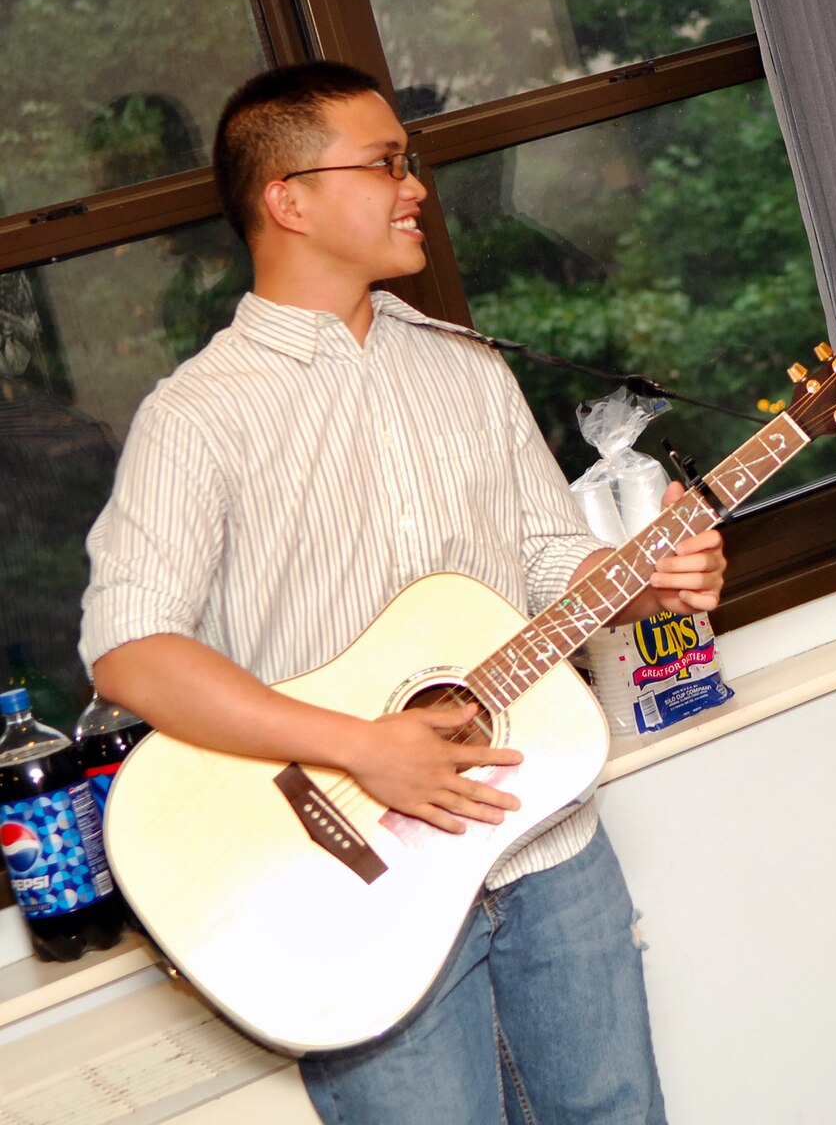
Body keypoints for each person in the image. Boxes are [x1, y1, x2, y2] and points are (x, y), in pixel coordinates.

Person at [79, 61, 726, 1124]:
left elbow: (548, 561)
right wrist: (359, 743)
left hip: (548, 842)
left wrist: (641, 575)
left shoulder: (466, 368)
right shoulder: (194, 416)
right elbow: (132, 652)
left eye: (410, 160)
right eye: (385, 162)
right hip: (355, 885)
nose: (414, 183)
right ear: (287, 198)